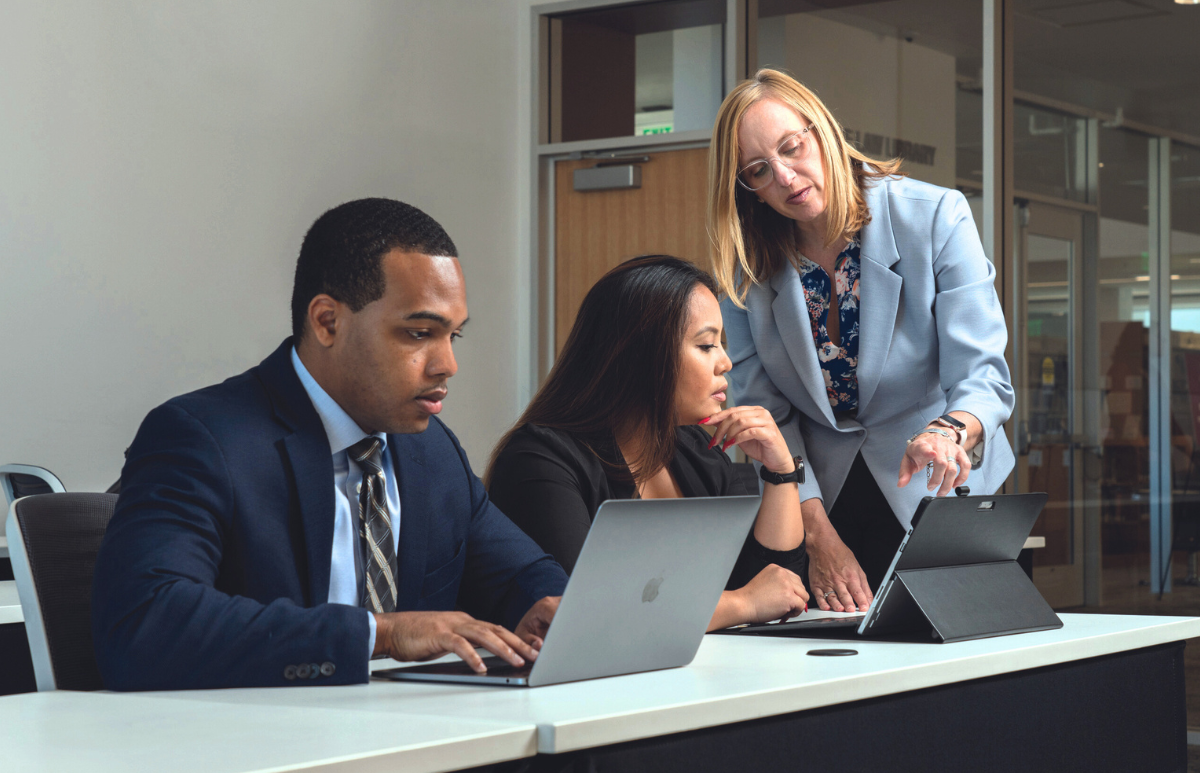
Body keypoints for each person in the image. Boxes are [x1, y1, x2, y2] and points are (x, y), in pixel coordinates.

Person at [91, 198, 567, 690]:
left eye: (454, 337)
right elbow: (146, 623)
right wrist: (378, 635)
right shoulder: (201, 437)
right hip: (259, 747)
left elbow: (522, 573)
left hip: (417, 739)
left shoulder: (431, 450)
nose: (447, 364)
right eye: (420, 333)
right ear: (327, 322)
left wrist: (548, 606)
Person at [708, 69, 1015, 614]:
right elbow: (764, 412)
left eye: (791, 147)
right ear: (746, 188)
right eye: (759, 170)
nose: (784, 176)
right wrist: (818, 534)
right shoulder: (746, 266)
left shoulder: (934, 215)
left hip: (937, 485)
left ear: (820, 128)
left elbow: (983, 375)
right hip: (818, 501)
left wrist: (949, 430)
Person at [486, 255, 809, 631]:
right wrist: (742, 604)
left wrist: (781, 470)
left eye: (722, 344)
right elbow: (579, 611)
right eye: (707, 346)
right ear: (641, 354)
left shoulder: (695, 450)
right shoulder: (540, 460)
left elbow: (779, 588)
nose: (726, 362)